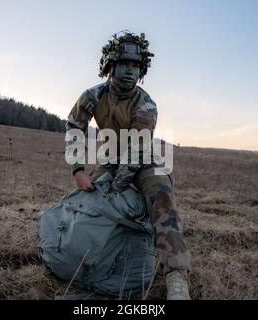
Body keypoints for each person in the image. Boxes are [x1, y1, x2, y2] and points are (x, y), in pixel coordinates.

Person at [65, 31, 191, 300]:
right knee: (85, 202)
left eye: (136, 67)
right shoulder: (93, 95)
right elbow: (75, 125)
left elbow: (135, 153)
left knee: (161, 195)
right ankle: (83, 259)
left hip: (143, 162)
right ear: (110, 66)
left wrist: (116, 189)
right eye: (124, 65)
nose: (130, 72)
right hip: (109, 162)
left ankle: (176, 276)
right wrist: (78, 170)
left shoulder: (146, 105)